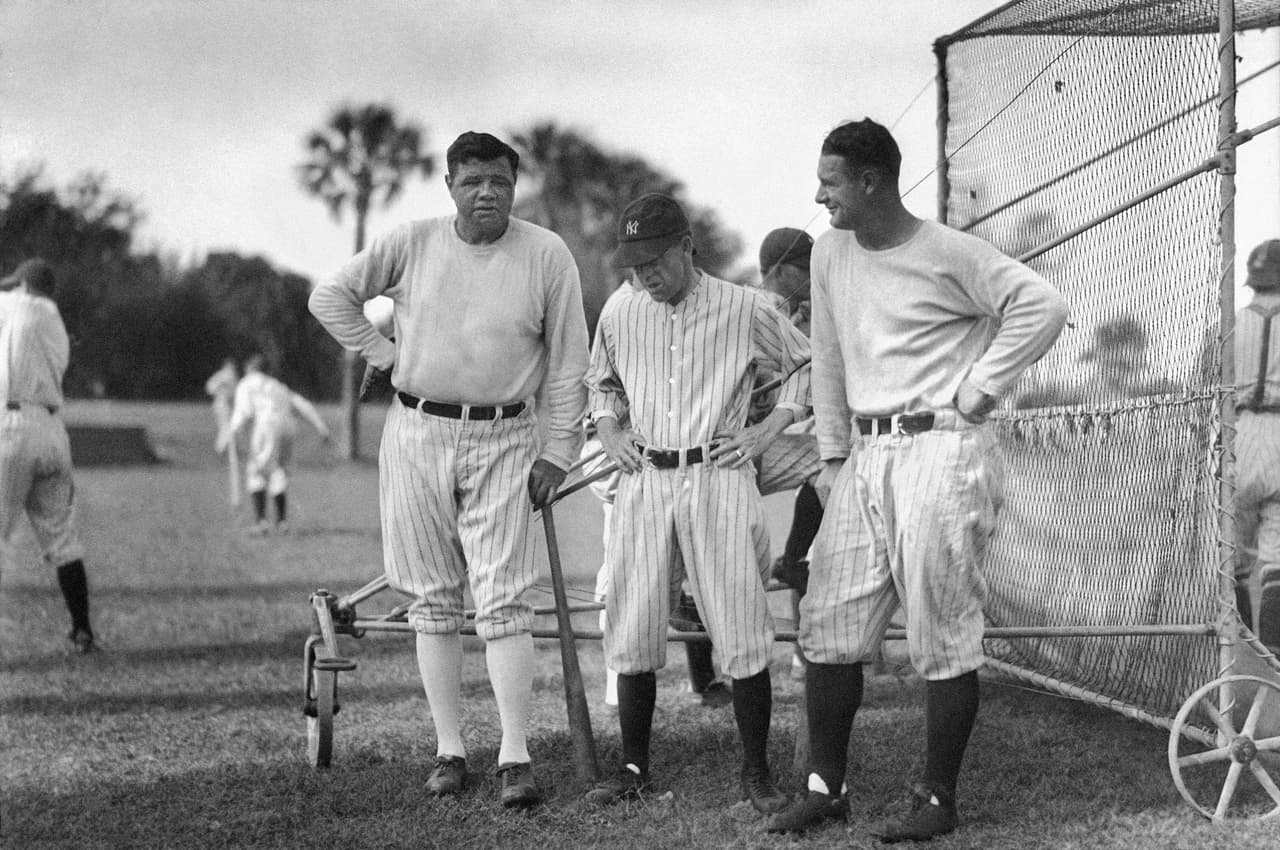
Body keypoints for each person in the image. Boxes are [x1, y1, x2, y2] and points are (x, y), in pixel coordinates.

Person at [766, 119, 1068, 841]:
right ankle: (824, 787)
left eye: (831, 182)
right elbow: (830, 361)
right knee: (829, 622)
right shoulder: (833, 252)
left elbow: (1044, 306)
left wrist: (984, 386)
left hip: (940, 448)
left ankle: (937, 799)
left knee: (941, 624)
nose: (820, 196)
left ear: (870, 181)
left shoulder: (950, 251)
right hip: (864, 457)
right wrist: (834, 460)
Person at [308, 131, 590, 809]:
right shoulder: (413, 241)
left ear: (514, 186)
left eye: (499, 180)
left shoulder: (546, 252)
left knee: (501, 598)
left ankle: (515, 758)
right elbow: (330, 297)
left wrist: (557, 452)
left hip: (505, 435)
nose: (486, 193)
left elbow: (571, 362)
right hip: (416, 430)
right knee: (432, 598)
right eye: (472, 181)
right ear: (449, 185)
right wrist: (381, 355)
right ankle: (450, 750)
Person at [583, 193, 812, 815]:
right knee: (631, 624)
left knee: (740, 625)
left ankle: (756, 772)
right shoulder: (621, 311)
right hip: (645, 478)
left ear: (686, 247)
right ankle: (632, 766)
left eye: (655, 260)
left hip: (718, 474)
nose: (645, 275)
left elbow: (804, 365)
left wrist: (767, 432)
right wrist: (609, 431)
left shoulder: (745, 307)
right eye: (634, 265)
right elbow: (600, 384)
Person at [0, 258, 96, 653]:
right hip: (53, 431)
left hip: (12, 426)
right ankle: (82, 628)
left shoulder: (14, 304)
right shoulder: (52, 317)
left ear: (23, 285)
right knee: (62, 539)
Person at [755, 227, 826, 595]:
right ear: (780, 271)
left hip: (751, 448)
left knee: (828, 459)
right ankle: (797, 560)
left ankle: (797, 561)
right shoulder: (765, 303)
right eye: (803, 268)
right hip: (727, 452)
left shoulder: (797, 312)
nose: (811, 276)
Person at [216, 354, 331, 534]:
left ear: (250, 368)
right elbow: (302, 404)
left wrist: (226, 438)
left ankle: (261, 522)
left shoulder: (247, 383)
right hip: (287, 427)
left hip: (265, 426)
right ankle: (282, 522)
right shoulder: (277, 386)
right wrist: (322, 427)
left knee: (257, 471)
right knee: (278, 470)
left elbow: (242, 413)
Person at [1233, 238, 1280, 654]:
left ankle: (1242, 659)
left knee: (1236, 560)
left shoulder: (1231, 323)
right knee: (1278, 563)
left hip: (1240, 432)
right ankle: (1276, 670)